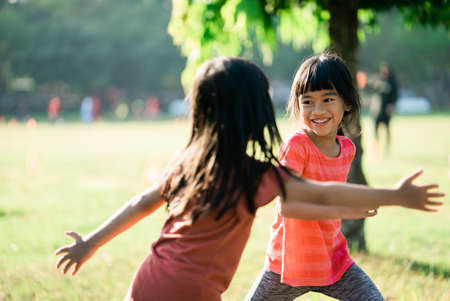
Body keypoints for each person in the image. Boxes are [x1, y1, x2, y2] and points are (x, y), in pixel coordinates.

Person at [55, 57, 443, 301]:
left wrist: (90, 243)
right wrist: (395, 195)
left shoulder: (188, 162)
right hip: (205, 290)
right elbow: (317, 196)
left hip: (150, 279)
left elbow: (140, 203)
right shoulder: (255, 176)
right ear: (255, 112)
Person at [245, 53, 424, 301]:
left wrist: (359, 203)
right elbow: (288, 206)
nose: (317, 110)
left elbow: (334, 193)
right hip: (287, 264)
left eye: (328, 99)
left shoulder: (347, 149)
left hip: (333, 260)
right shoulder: (297, 145)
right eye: (307, 102)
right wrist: (346, 211)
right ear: (298, 105)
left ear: (347, 102)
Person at [374, 62, 399, 154]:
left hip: (387, 110)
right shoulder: (379, 79)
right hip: (378, 109)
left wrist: (392, 105)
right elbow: (374, 91)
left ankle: (387, 149)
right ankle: (376, 149)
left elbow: (396, 95)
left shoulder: (393, 81)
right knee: (376, 129)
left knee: (387, 129)